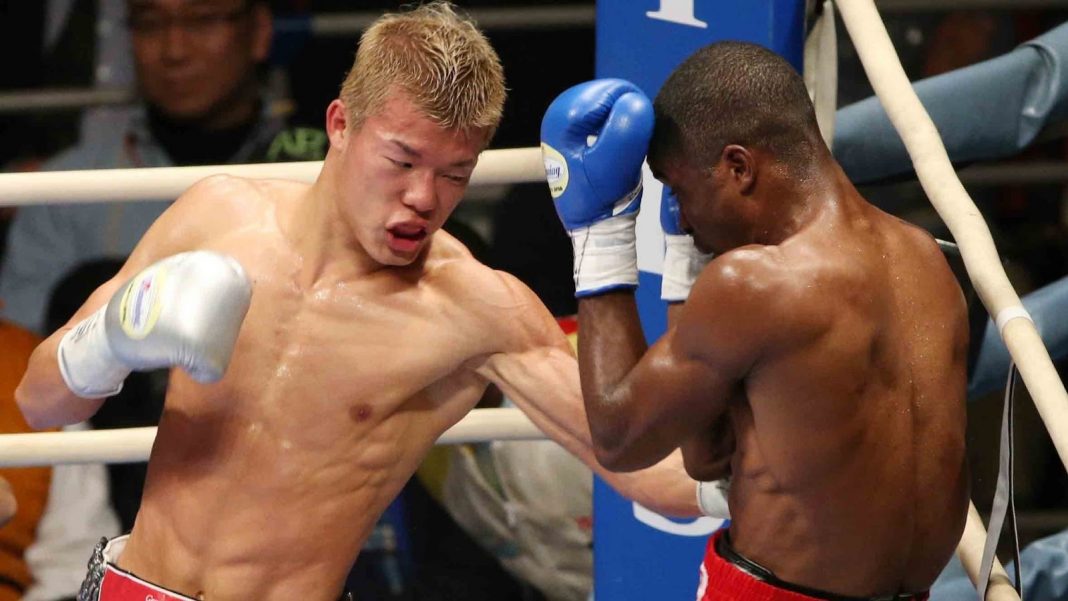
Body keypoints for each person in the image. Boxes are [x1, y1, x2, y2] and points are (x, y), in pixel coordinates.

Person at [15, 4, 707, 600]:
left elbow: (657, 476)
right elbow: (40, 402)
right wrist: (110, 339)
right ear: (340, 124)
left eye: (455, 174)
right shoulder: (216, 217)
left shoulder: (475, 309)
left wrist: (793, 444)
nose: (424, 198)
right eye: (402, 160)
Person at [540, 42, 970, 599]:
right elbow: (707, 456)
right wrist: (685, 276)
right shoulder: (926, 260)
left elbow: (621, 437)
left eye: (681, 190)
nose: (684, 218)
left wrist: (600, 234)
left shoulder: (759, 283)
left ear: (738, 167)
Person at [0, 0, 327, 335]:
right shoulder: (64, 188)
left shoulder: (320, 172)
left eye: (203, 19)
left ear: (259, 31)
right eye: (150, 22)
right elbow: (19, 353)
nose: (174, 50)